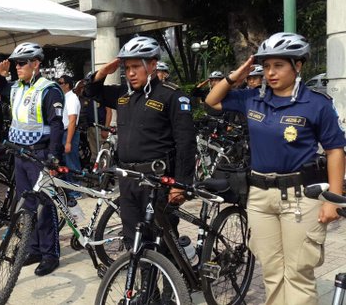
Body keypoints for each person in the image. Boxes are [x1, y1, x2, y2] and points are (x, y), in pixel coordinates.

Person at [205, 32, 346, 305]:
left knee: (298, 273)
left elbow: (335, 150)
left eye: (278, 65)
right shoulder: (252, 98)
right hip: (259, 197)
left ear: (298, 66)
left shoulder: (316, 104)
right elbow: (211, 102)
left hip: (300, 198)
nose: (270, 73)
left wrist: (334, 200)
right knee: (271, 271)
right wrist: (237, 74)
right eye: (266, 65)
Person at [83, 36, 196, 251]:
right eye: (127, 68)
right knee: (133, 240)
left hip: (158, 181)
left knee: (162, 241)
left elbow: (186, 143)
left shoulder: (171, 96)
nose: (130, 73)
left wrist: (180, 184)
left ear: (152, 65)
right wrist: (106, 70)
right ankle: (145, 285)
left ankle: (173, 284)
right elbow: (91, 91)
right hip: (128, 179)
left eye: (136, 66)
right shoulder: (123, 95)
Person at [0, 42, 64, 276]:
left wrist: (53, 157)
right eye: (16, 63)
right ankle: (33, 248)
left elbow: (56, 125)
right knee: (28, 206)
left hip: (39, 154)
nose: (18, 67)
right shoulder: (17, 87)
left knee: (44, 207)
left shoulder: (48, 89)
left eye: (22, 63)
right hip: (20, 155)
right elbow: (3, 91)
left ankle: (50, 254)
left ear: (36, 64)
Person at [58, 75, 82, 198]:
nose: (59, 84)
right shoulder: (65, 98)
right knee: (66, 163)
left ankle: (76, 191)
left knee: (72, 163)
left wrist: (68, 141)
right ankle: (70, 190)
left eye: (60, 82)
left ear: (67, 84)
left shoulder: (72, 98)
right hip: (65, 132)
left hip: (69, 133)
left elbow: (72, 120)